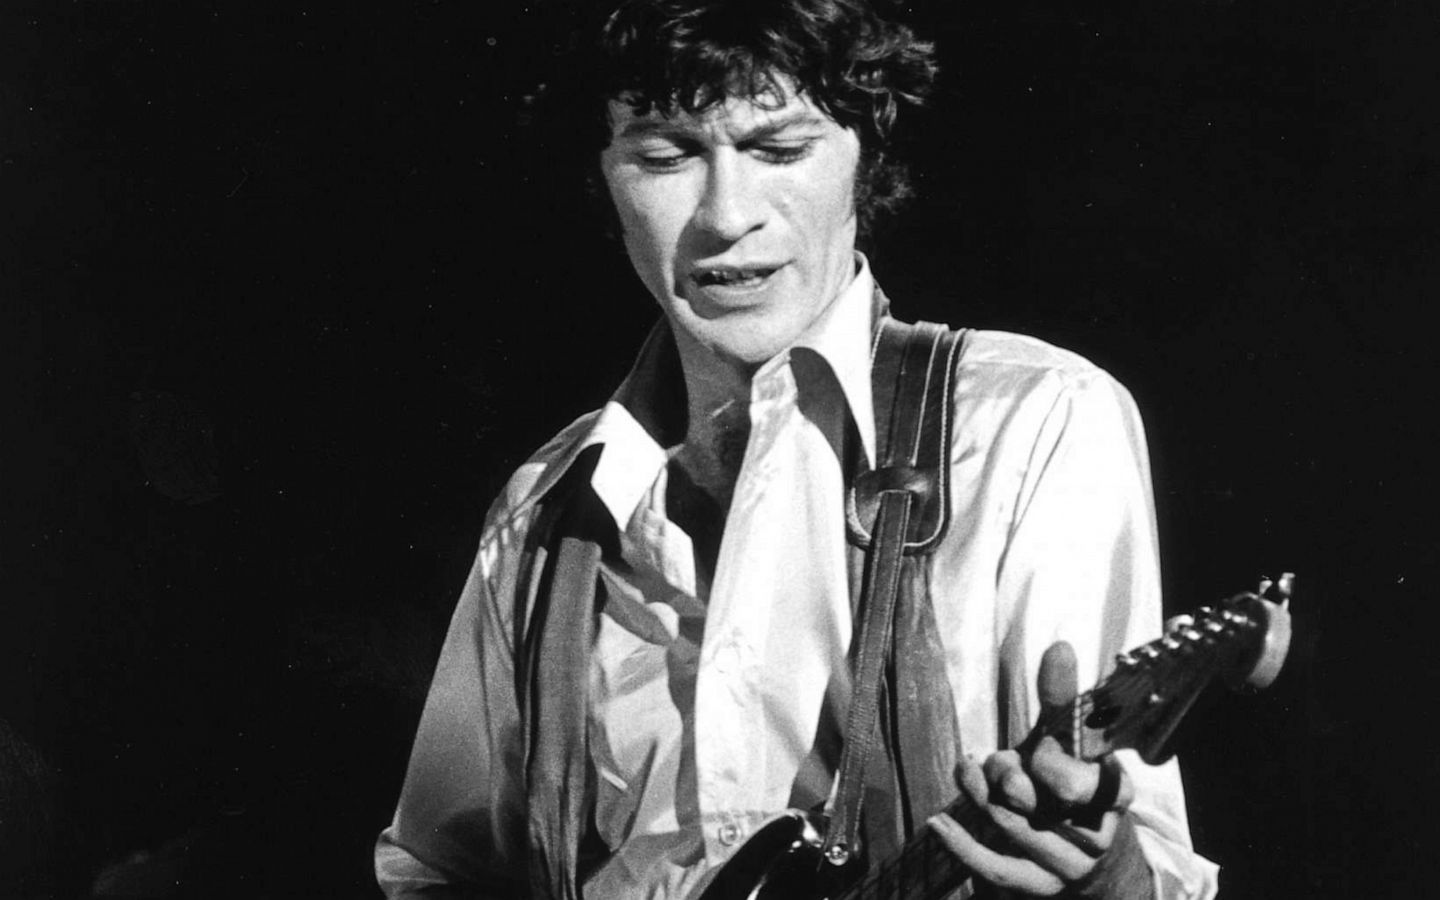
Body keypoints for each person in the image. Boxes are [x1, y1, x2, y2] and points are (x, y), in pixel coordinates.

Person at [376, 0, 1219, 897]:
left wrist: (1106, 874)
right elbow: (439, 871)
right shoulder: (546, 507)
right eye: (665, 156)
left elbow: (1155, 870)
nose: (725, 216)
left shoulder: (1031, 425)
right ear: (603, 176)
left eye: (780, 150)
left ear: (867, 161)